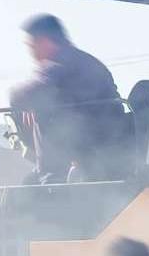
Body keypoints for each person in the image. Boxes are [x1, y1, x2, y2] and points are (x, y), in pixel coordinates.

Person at [9, 13, 129, 183]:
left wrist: (29, 103)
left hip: (86, 155)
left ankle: (50, 177)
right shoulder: (87, 61)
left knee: (48, 113)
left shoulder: (59, 65)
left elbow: (21, 96)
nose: (31, 52)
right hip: (109, 150)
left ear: (45, 42)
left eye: (32, 45)